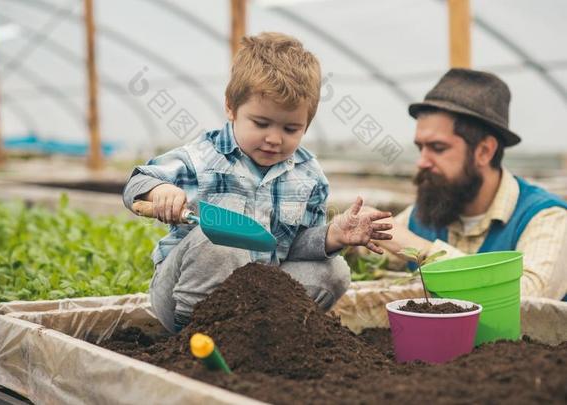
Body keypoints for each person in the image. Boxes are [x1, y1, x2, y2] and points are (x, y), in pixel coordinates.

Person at [122, 33, 393, 333]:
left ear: (307, 124)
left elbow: (293, 247)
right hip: (183, 297)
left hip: (259, 296)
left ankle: (269, 335)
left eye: (291, 128)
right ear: (231, 108)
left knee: (334, 271)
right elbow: (137, 182)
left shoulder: (309, 176)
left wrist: (332, 235)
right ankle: (193, 340)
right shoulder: (203, 157)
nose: (274, 138)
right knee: (223, 241)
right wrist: (160, 191)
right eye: (261, 124)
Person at [373, 68, 567, 300]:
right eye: (420, 148)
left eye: (438, 148)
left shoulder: (545, 218)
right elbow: (369, 259)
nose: (422, 161)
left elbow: (528, 300)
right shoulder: (424, 213)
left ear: (484, 151)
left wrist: (422, 250)